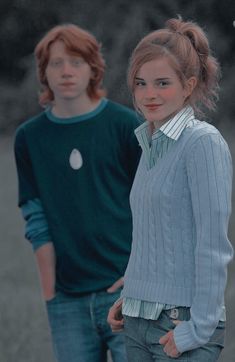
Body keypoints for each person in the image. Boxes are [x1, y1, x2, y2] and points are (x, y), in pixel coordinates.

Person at [107, 16, 234, 361]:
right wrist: (130, 297)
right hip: (136, 321)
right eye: (141, 83)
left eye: (162, 83)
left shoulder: (201, 143)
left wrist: (199, 329)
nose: (149, 94)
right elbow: (154, 236)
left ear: (188, 85)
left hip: (182, 325)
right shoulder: (150, 146)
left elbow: (213, 246)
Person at [14, 24, 141, 362]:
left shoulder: (125, 126)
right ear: (43, 72)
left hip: (127, 290)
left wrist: (141, 274)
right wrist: (50, 289)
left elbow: (153, 206)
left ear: (93, 68)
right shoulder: (29, 138)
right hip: (66, 299)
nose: (66, 71)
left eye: (76, 61)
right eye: (56, 63)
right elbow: (35, 212)